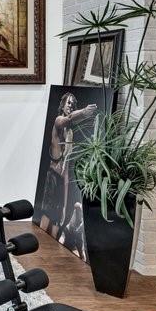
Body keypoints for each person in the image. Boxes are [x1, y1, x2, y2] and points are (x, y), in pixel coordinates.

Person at [38, 92, 97, 239]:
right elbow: (68, 118)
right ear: (63, 104)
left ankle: (51, 251)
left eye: (72, 103)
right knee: (47, 214)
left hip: (61, 178)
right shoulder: (59, 121)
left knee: (58, 219)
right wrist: (84, 112)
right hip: (52, 176)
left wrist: (64, 205)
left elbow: (66, 169)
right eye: (68, 102)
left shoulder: (70, 133)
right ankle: (39, 245)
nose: (70, 105)